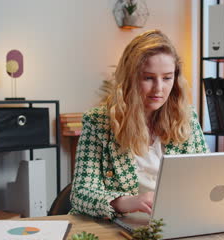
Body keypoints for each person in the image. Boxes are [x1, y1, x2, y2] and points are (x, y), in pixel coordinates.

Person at [69, 30, 209, 219]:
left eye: (167, 78)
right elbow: (80, 194)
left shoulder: (186, 117)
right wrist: (125, 202)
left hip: (176, 220)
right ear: (130, 79)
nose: (159, 89)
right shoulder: (99, 122)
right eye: (148, 78)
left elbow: (206, 179)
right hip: (119, 224)